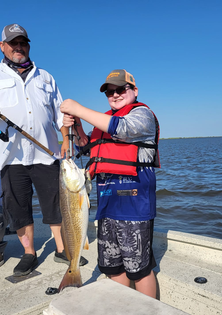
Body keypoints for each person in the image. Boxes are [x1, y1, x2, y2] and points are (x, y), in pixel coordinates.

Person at [0, 24, 87, 277]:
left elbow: (61, 113)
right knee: (18, 207)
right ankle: (29, 253)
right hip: (10, 156)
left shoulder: (46, 77)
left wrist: (65, 141)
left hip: (47, 152)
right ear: (2, 46)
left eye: (23, 43)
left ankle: (62, 249)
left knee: (56, 203)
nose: (19, 47)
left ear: (28, 45)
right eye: (13, 43)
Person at [61, 69, 160, 298]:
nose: (114, 95)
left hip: (135, 206)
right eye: (109, 92)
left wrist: (79, 110)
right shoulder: (103, 122)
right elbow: (88, 148)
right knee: (113, 266)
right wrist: (76, 124)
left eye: (120, 89)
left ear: (134, 90)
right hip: (107, 206)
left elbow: (122, 129)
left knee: (140, 269)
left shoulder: (142, 115)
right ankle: (123, 313)